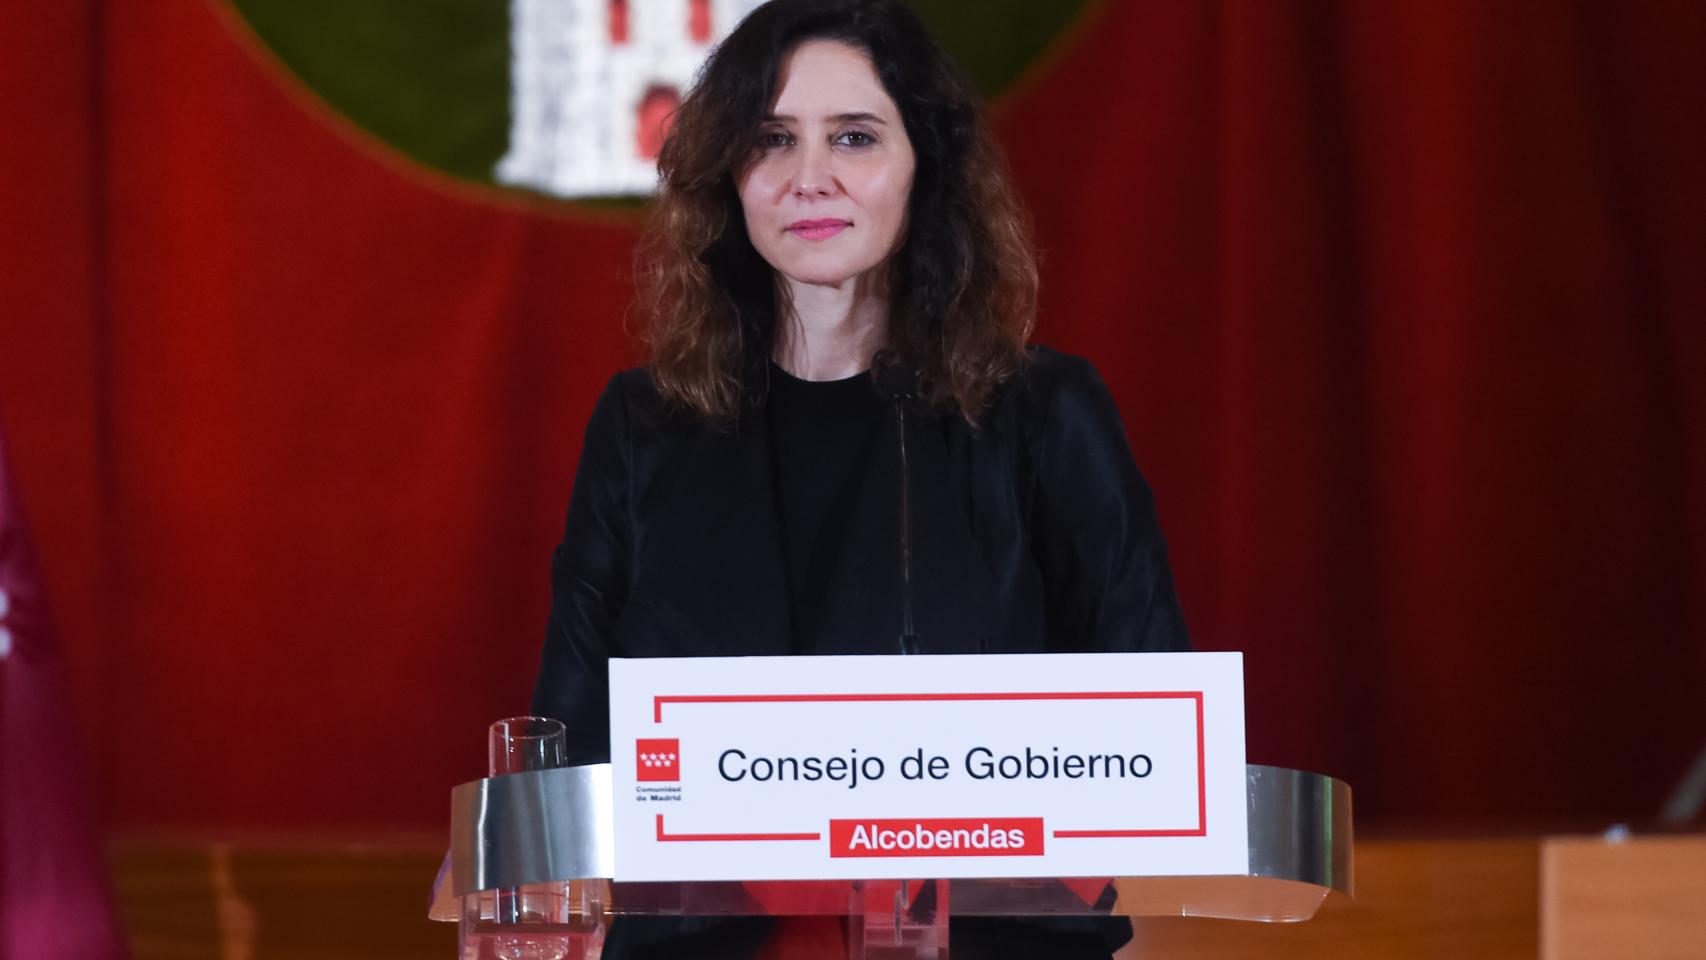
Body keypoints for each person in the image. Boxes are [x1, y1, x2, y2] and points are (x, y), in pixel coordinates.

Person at [530, 1, 1189, 955]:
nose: (810, 179)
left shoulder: (1047, 415)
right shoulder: (645, 427)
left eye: (853, 137)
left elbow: (1156, 741)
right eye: (772, 140)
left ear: (926, 167)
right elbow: (562, 757)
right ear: (729, 175)